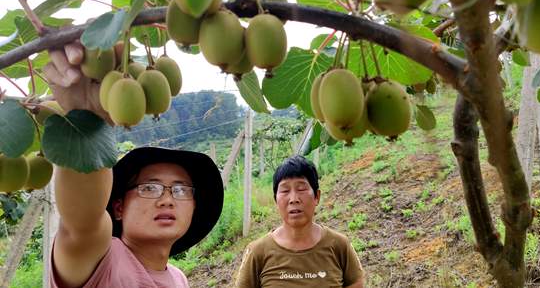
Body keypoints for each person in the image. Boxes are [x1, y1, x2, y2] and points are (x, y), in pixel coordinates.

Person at [44, 42, 224, 288]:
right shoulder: (104, 260)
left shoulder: (178, 279)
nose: (167, 200)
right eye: (150, 188)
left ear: (194, 208)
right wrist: (87, 119)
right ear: (118, 208)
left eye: (181, 190)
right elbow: (82, 223)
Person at [235, 155, 365, 288]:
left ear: (317, 196)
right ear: (276, 200)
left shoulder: (339, 245)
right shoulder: (257, 252)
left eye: (301, 189)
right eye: (285, 190)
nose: (293, 199)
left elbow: (356, 282)